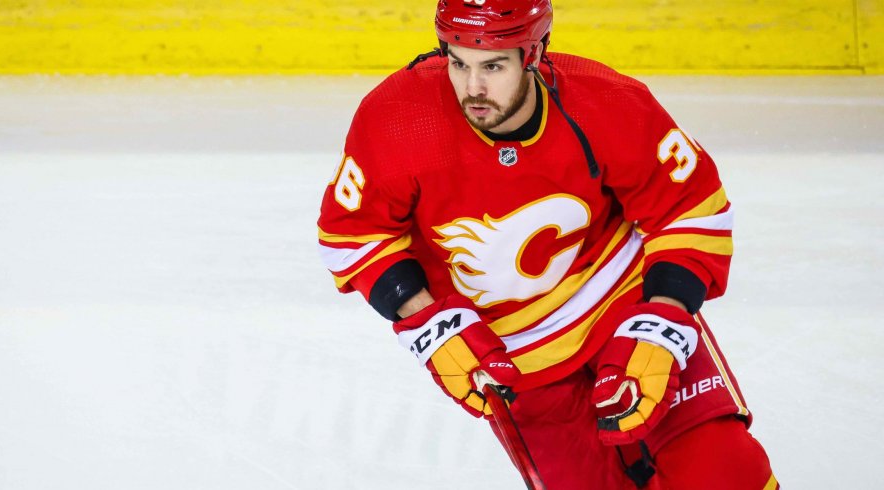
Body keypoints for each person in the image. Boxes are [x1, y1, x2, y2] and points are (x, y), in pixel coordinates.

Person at [317, 0, 777, 488]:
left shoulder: (605, 100)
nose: (472, 88)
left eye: (492, 66)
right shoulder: (398, 119)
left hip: (624, 311)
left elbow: (688, 206)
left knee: (726, 472)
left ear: (533, 55)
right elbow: (352, 234)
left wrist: (663, 317)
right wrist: (428, 323)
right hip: (512, 358)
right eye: (457, 62)